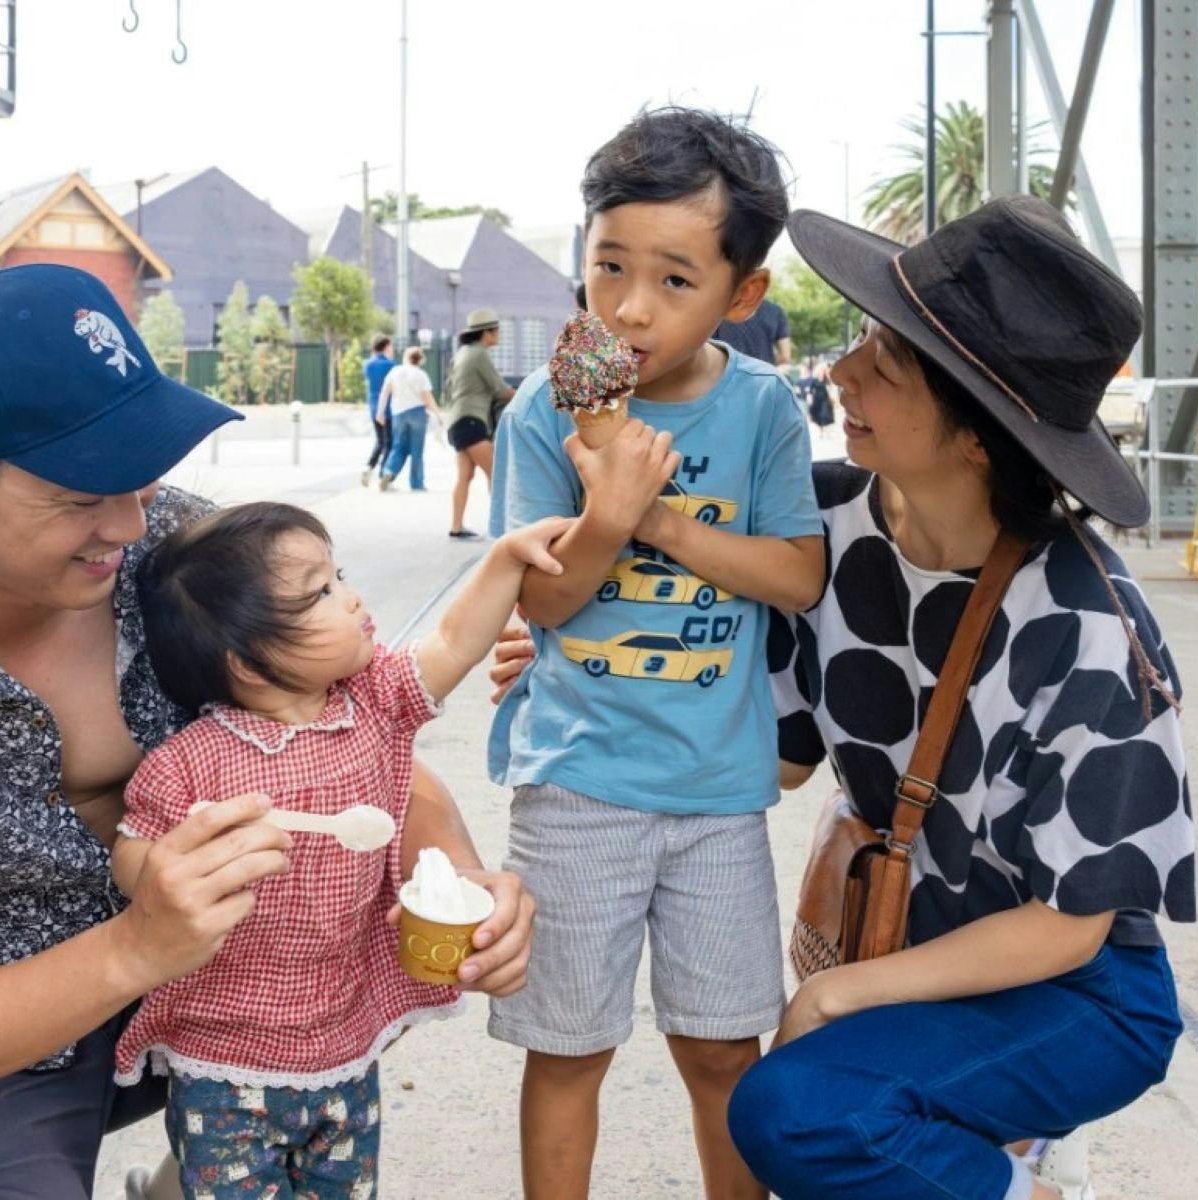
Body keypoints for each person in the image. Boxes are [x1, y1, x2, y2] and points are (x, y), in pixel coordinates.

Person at [0, 264, 536, 1197]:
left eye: (140, 470)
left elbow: (358, 738)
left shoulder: (185, 559)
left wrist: (455, 878)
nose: (131, 522)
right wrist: (139, 946)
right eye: (80, 494)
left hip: (224, 1004)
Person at [727, 198, 1194, 1200]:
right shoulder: (816, 522)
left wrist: (842, 994)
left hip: (1076, 988)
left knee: (799, 1111)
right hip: (909, 931)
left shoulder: (1088, 624)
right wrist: (591, 669)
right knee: (821, 1113)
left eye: (887, 363)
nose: (843, 372)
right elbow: (782, 755)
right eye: (863, 338)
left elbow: (1071, 924)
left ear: (978, 435)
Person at [487, 106, 824, 1199]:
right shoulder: (542, 410)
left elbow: (798, 574)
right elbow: (543, 600)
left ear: (742, 293)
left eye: (675, 280)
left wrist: (658, 519)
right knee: (568, 1049)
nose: (630, 307)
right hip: (576, 781)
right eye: (609, 266)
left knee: (724, 1050)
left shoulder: (763, 409)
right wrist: (605, 511)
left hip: (718, 794)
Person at [111, 501, 555, 1196]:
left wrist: (504, 561)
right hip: (224, 1057)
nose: (351, 598)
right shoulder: (190, 764)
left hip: (344, 1036)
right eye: (319, 592)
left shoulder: (373, 703)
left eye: (338, 576)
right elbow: (132, 852)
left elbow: (452, 642)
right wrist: (169, 869)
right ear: (247, 664)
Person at [442, 308, 517, 540]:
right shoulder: (478, 354)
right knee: (497, 473)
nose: (499, 334)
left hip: (456, 421)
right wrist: (526, 396)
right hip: (472, 421)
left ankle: (456, 527)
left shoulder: (461, 354)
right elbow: (500, 390)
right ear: (487, 333)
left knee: (464, 476)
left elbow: (448, 390)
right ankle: (500, 528)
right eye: (497, 330)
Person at [377, 345, 441, 492]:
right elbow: (427, 397)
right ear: (420, 360)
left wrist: (380, 412)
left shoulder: (395, 371)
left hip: (398, 413)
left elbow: (385, 392)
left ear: (406, 357)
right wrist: (437, 414)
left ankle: (388, 471)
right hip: (417, 413)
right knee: (417, 450)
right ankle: (417, 483)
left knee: (398, 446)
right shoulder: (421, 375)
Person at [716, 296, 791, 366]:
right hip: (761, 372)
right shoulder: (776, 311)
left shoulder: (719, 308)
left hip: (727, 371)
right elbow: (785, 356)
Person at [360, 333, 394, 487]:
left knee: (380, 441)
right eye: (390, 346)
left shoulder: (368, 364)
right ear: (386, 346)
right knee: (389, 442)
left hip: (373, 407)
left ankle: (368, 467)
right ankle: (383, 475)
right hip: (388, 407)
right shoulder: (391, 365)